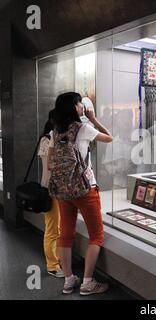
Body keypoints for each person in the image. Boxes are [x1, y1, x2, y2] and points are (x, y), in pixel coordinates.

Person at [48, 92, 113, 295]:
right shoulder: (84, 128)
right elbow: (109, 137)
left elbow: (50, 163)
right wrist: (94, 119)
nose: (81, 106)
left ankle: (68, 280)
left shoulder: (55, 133)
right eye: (79, 103)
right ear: (73, 107)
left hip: (63, 192)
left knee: (65, 234)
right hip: (85, 190)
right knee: (96, 236)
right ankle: (87, 282)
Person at [38, 109, 64, 278]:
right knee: (53, 229)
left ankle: (58, 261)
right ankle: (52, 266)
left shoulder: (49, 138)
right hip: (52, 189)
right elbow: (51, 166)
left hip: (56, 189)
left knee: (57, 228)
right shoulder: (49, 140)